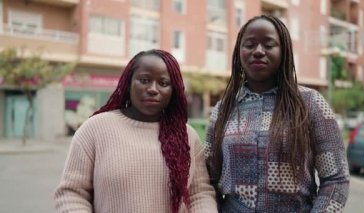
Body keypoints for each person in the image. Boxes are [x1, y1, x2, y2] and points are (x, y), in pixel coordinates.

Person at [205, 15, 349, 212]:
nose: (258, 51)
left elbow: (336, 179)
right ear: (239, 52)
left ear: (284, 51)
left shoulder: (310, 103)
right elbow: (207, 181)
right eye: (249, 44)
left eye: (269, 44)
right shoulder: (223, 110)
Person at [55, 49, 218, 213]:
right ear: (128, 83)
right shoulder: (95, 129)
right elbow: (72, 194)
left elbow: (200, 194)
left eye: (163, 83)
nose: (153, 89)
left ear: (173, 91)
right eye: (145, 80)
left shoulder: (187, 137)